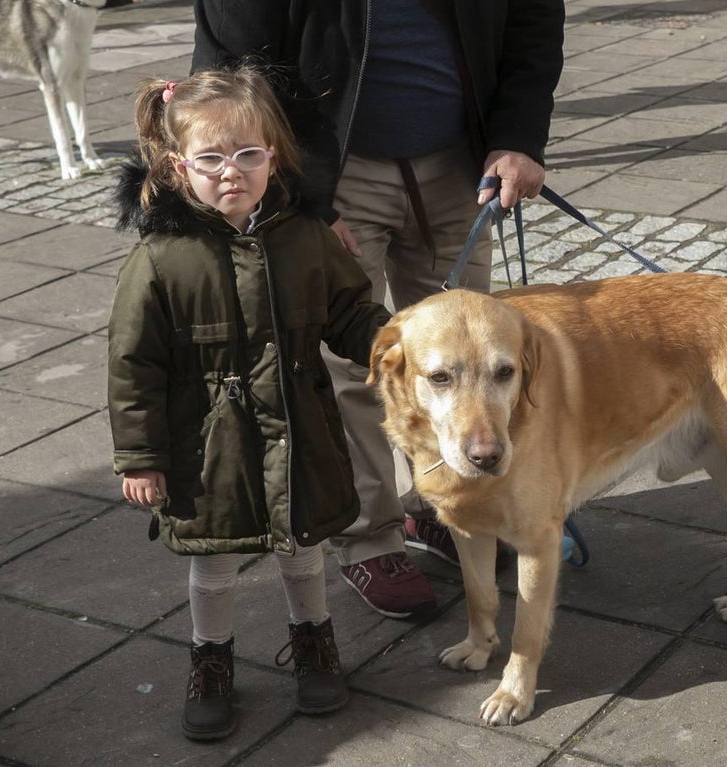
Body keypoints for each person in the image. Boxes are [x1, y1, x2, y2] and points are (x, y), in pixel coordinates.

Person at [190, 0, 566, 618]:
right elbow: (231, 72)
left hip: (458, 163)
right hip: (333, 173)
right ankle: (369, 536)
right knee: (353, 364)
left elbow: (532, 24)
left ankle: (438, 504)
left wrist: (518, 138)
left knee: (459, 360)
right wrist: (300, 194)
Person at [107, 66, 392, 741]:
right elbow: (132, 363)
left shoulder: (305, 236)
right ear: (180, 169)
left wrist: (394, 344)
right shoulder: (161, 258)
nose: (230, 171)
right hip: (209, 444)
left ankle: (314, 640)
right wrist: (141, 456)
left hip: (299, 426)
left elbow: (351, 309)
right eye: (211, 158)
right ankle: (211, 658)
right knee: (215, 558)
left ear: (274, 157)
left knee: (303, 544)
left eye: (247, 154)